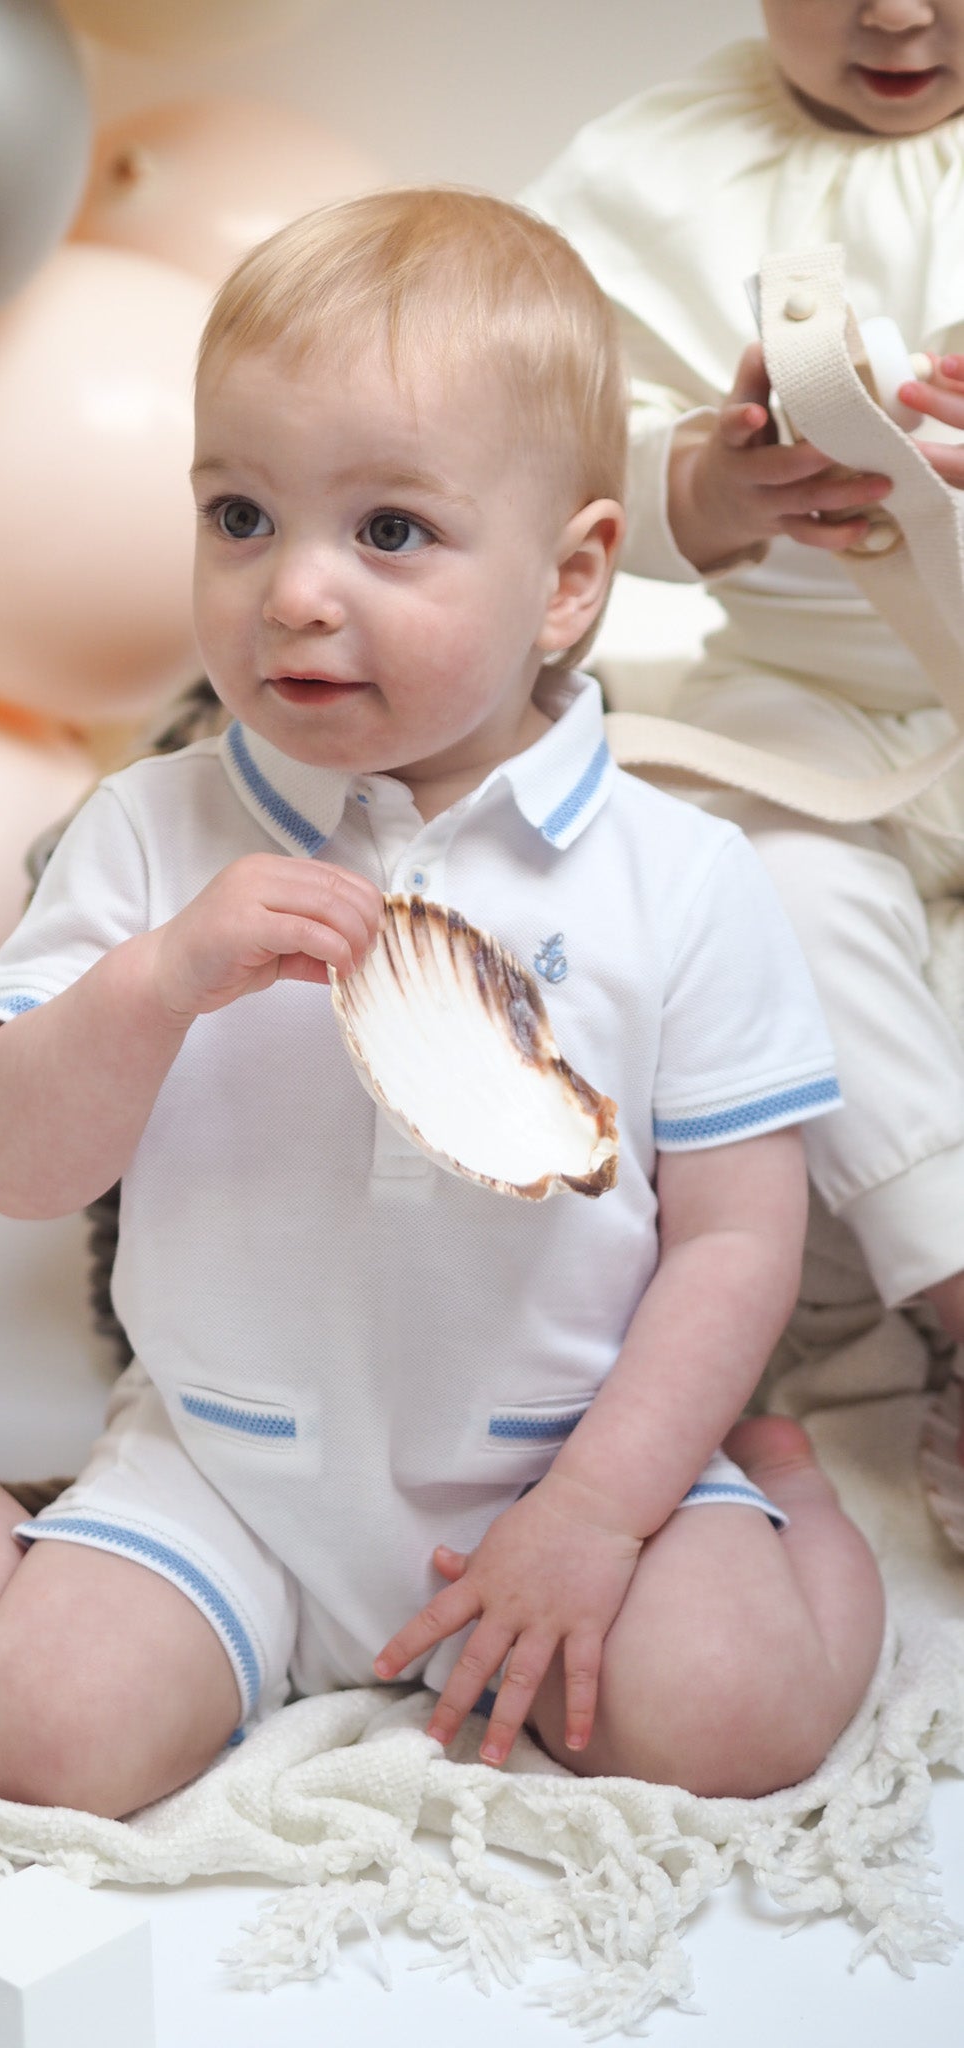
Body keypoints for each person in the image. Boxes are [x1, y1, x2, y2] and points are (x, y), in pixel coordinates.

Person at [0, 188, 884, 1820]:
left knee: (746, 1723)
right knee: (29, 1737)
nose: (293, 592)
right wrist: (159, 983)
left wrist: (603, 1510)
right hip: (231, 1469)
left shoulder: (679, 873)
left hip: (565, 1456)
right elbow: (18, 1170)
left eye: (387, 532)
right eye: (238, 516)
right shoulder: (148, 833)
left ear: (568, 582)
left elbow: (737, 1238)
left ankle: (784, 1485)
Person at [524, 0, 964, 1449]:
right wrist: (703, 488)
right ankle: (958, 1305)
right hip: (801, 695)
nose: (895, 12)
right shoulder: (652, 168)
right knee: (765, 891)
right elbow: (542, 453)